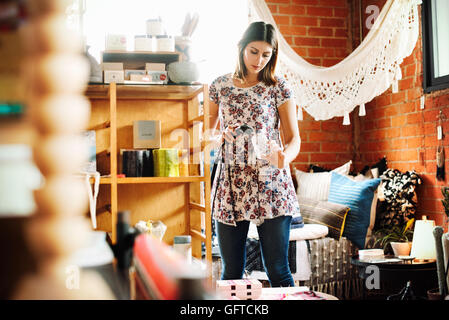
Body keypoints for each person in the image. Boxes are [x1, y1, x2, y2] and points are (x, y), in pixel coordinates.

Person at [208, 21, 301, 287]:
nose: (259, 60)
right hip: (230, 184)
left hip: (271, 181)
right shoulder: (219, 86)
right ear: (241, 48)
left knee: (278, 270)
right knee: (231, 272)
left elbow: (294, 138)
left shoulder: (278, 86)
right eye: (253, 51)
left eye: (266, 54)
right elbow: (206, 133)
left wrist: (286, 157)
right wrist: (218, 137)